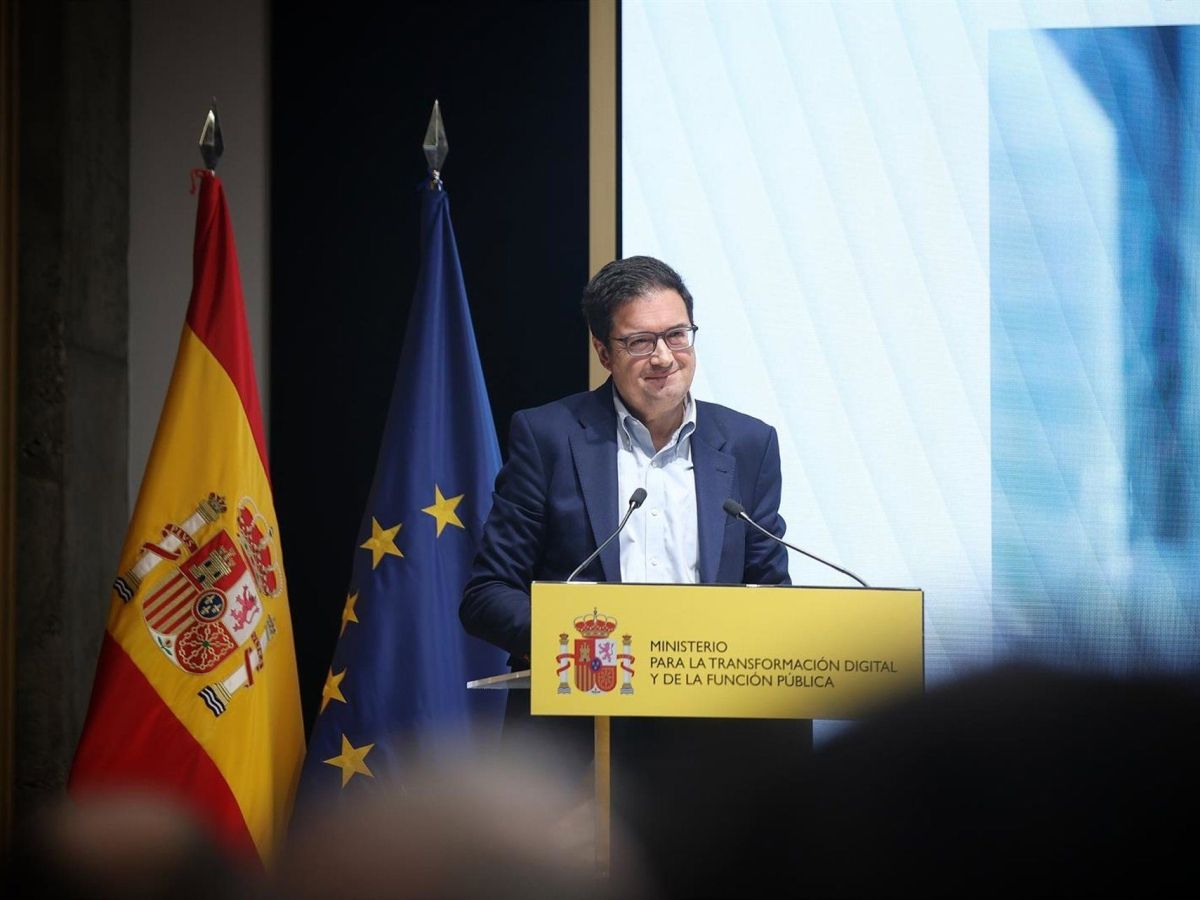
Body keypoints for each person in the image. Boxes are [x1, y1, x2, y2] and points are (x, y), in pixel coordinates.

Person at [460, 256, 808, 897]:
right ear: (603, 350)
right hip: (580, 747)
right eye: (639, 341)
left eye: (677, 335)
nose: (664, 357)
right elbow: (487, 595)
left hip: (709, 750)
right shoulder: (548, 436)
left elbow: (768, 590)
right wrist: (593, 642)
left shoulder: (748, 443)